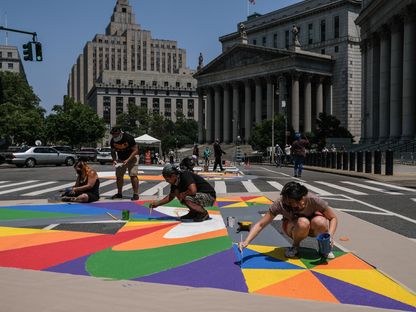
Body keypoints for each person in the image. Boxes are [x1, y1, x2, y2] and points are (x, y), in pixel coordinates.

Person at [238, 181, 338, 259]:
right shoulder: (280, 204)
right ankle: (295, 247)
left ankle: (324, 248)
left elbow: (333, 217)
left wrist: (330, 235)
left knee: (320, 221)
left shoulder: (313, 199)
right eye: (297, 202)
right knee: (303, 222)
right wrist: (246, 241)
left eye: (302, 199)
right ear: (288, 200)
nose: (302, 203)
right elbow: (261, 224)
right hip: (293, 227)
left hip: (314, 226)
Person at [149, 164, 216, 222]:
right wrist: (157, 203)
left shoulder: (185, 175)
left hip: (209, 196)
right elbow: (171, 197)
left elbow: (193, 190)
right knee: (180, 195)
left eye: (167, 179)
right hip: (201, 195)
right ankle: (193, 212)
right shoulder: (175, 182)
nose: (166, 181)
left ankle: (203, 213)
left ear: (173, 175)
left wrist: (182, 194)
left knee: (186, 197)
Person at [109, 127, 139, 200]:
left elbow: (135, 150)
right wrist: (114, 160)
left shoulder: (128, 138)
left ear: (120, 133)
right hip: (121, 159)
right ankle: (119, 193)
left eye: (115, 135)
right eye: (113, 135)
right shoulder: (113, 141)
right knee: (119, 176)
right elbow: (113, 151)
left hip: (132, 157)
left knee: (133, 175)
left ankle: (136, 194)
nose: (114, 136)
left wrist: (128, 160)